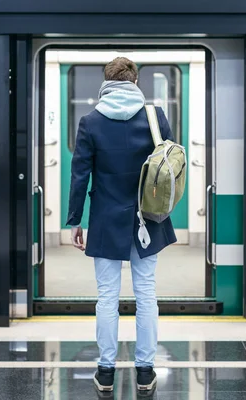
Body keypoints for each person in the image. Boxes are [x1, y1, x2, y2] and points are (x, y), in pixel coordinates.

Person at [66, 57, 177, 393]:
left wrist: (75, 220)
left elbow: (80, 174)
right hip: (148, 217)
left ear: (106, 82)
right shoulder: (155, 117)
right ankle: (144, 371)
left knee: (106, 298)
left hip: (105, 218)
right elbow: (170, 165)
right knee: (146, 295)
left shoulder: (91, 121)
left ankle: (106, 371)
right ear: (135, 81)